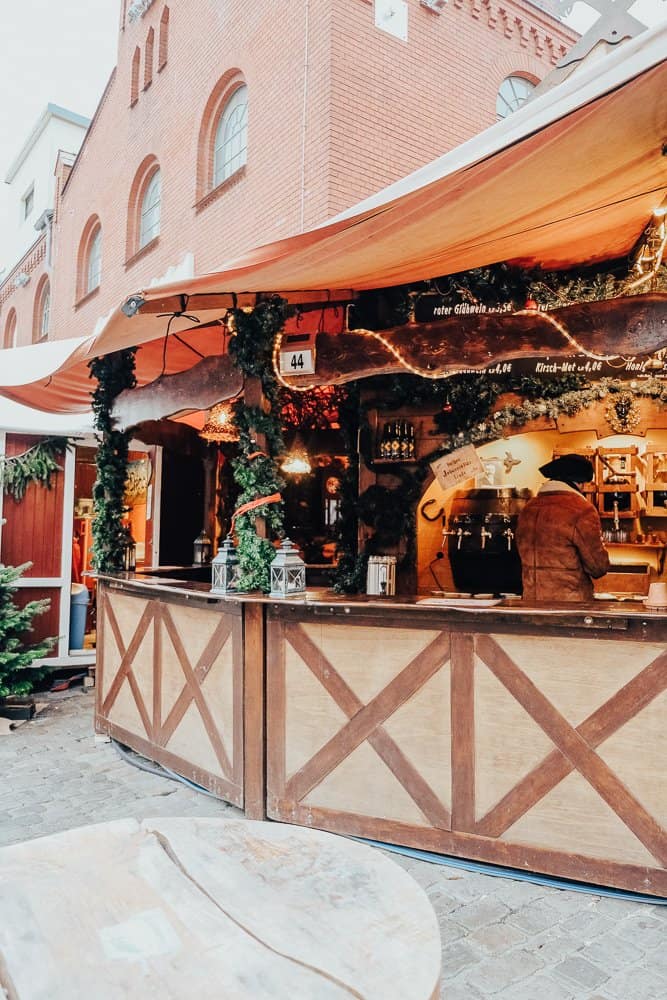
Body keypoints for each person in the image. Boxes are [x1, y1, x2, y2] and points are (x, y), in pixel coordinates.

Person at [516, 454, 609, 602]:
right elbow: (598, 567)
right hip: (570, 604)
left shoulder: (528, 509)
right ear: (579, 483)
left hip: (530, 601)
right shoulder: (581, 510)